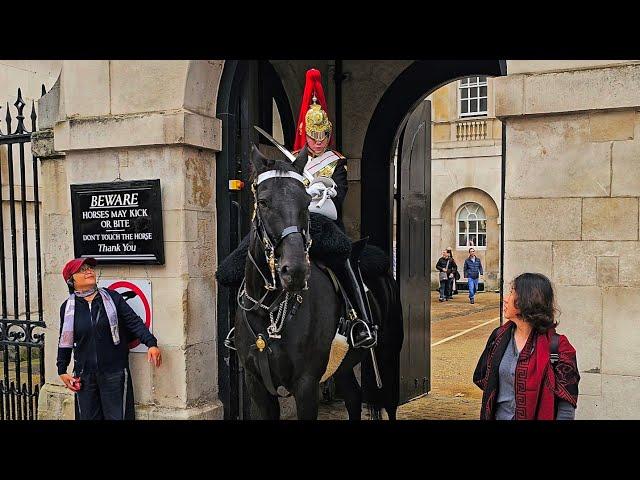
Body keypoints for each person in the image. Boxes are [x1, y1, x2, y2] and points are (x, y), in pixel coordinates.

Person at [219, 68, 375, 349]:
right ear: (306, 133)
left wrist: (317, 192)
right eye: (314, 135)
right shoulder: (292, 163)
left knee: (344, 259)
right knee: (244, 260)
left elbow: (337, 197)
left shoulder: (336, 162)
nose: (319, 141)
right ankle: (238, 325)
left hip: (321, 222)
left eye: (324, 135)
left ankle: (359, 320)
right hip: (289, 222)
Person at [57, 257, 162, 420]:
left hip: (115, 373)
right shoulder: (68, 307)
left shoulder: (113, 298)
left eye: (90, 268)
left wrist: (151, 343)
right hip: (84, 376)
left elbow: (134, 322)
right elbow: (65, 339)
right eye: (82, 270)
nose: (89, 271)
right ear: (72, 280)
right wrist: (62, 370)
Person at [473, 273, 580, 420]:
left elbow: (566, 405)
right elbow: (484, 379)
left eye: (511, 292)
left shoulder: (559, 347)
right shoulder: (499, 337)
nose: (505, 299)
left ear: (527, 300)